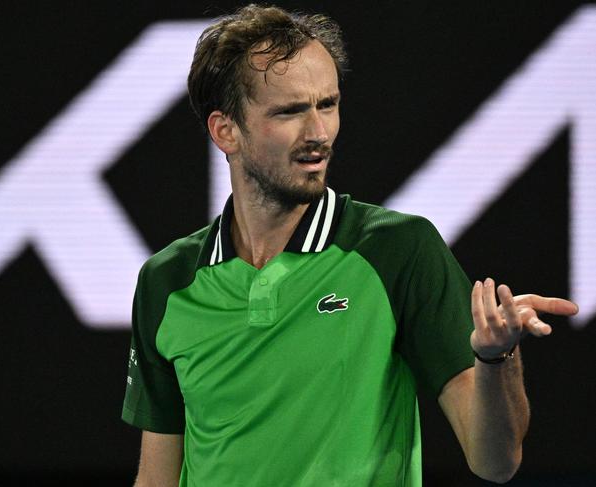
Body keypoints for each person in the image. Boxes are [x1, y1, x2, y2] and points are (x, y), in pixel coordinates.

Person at [121, 4, 579, 486]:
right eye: (291, 111)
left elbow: (496, 461)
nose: (319, 134)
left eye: (328, 104)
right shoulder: (167, 281)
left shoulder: (398, 251)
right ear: (226, 131)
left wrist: (495, 359)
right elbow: (157, 479)